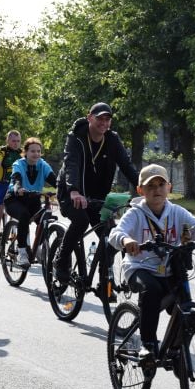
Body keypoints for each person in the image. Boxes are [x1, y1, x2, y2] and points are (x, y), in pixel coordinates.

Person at [109, 164, 195, 361]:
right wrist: (127, 241)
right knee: (152, 291)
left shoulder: (176, 212)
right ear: (141, 190)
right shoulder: (135, 213)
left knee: (184, 302)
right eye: (150, 186)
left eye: (161, 185)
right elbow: (116, 233)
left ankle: (174, 349)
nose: (156, 190)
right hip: (140, 267)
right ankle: (148, 344)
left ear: (169, 187)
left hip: (169, 267)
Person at [53, 102, 139, 283]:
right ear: (89, 117)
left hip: (98, 197)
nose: (104, 122)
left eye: (107, 119)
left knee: (113, 236)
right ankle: (61, 261)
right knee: (81, 220)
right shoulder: (76, 137)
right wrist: (74, 191)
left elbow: (127, 166)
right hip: (71, 192)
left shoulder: (113, 140)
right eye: (100, 118)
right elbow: (72, 165)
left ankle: (104, 281)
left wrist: (144, 188)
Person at [3, 137, 57, 267]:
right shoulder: (19, 164)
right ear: (25, 152)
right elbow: (16, 178)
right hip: (14, 199)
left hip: (33, 200)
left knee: (46, 220)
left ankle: (37, 248)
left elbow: (54, 180)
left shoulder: (43, 165)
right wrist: (18, 188)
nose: (36, 154)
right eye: (33, 151)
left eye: (39, 151)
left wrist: (64, 190)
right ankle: (22, 252)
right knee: (24, 216)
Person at [0, 130, 22, 256]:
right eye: (13, 141)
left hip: (14, 185)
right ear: (7, 140)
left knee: (17, 214)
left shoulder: (22, 153)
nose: (16, 143)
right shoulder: (2, 150)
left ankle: (14, 243)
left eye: (18, 141)